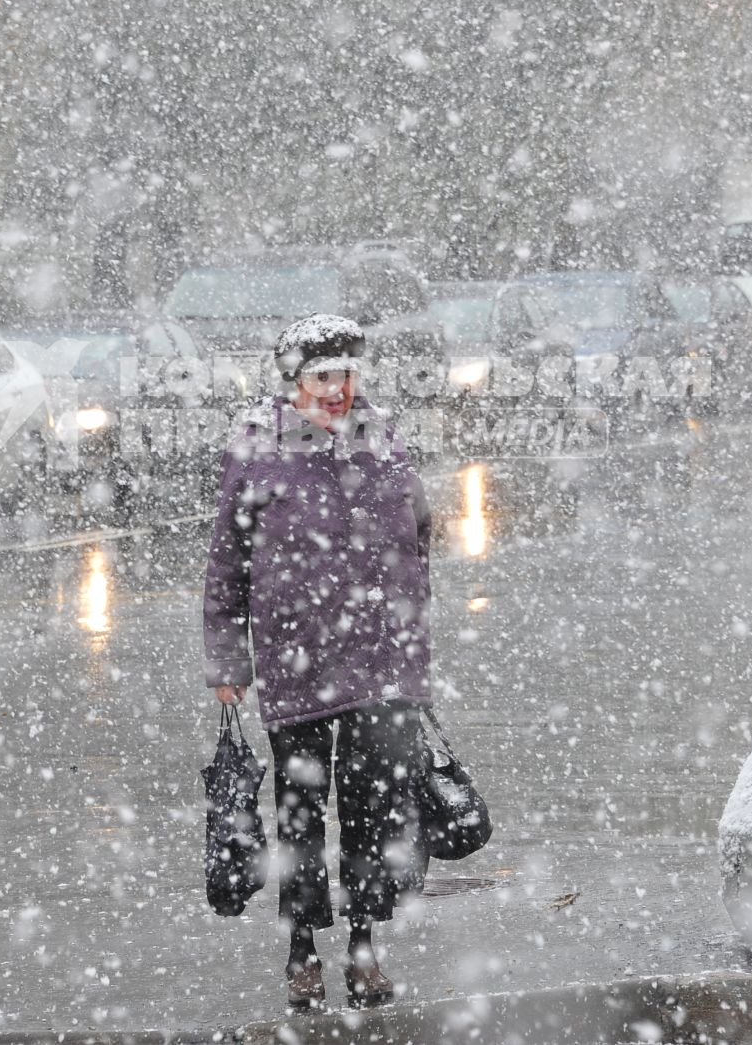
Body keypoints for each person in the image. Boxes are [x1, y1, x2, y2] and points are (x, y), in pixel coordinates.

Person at [202, 312, 435, 1011]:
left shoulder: (384, 437)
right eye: (322, 376)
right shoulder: (257, 447)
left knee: (368, 810)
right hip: (294, 660)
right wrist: (227, 658)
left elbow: (415, 542)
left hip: (375, 662)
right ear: (294, 381)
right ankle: (303, 948)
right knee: (302, 812)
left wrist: (412, 653)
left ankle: (364, 947)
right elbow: (226, 563)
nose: (338, 389)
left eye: (347, 374)